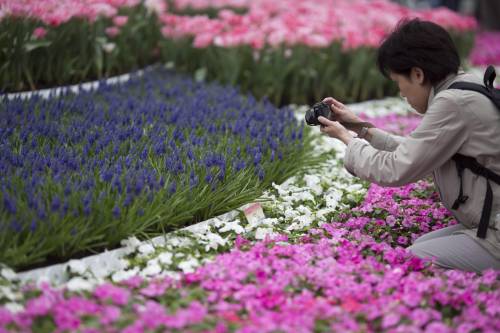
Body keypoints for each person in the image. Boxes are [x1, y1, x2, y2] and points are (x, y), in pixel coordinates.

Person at [317, 18, 500, 274]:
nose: (402, 93)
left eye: (398, 82)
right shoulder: (465, 87)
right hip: (491, 219)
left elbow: (397, 168)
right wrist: (361, 128)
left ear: (417, 73)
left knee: (416, 258)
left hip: (495, 228)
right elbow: (420, 154)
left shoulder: (452, 104)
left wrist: (348, 141)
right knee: (423, 245)